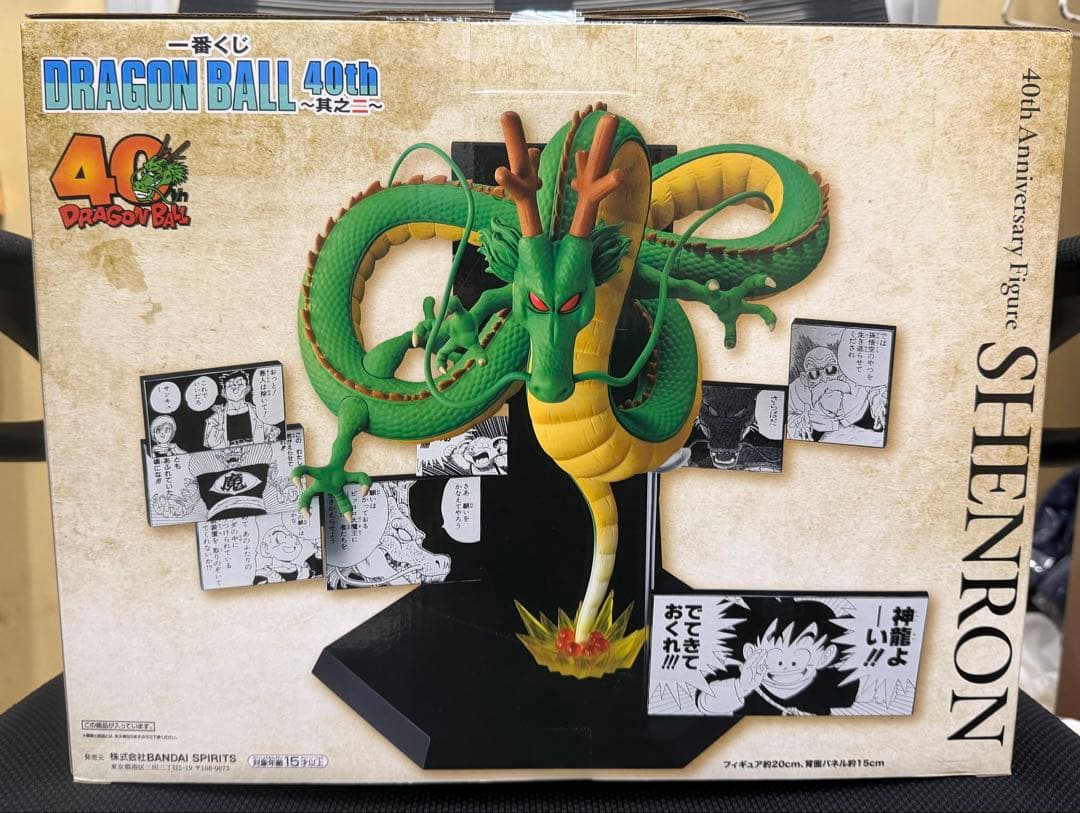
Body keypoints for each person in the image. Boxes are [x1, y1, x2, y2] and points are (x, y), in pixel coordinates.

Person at [203, 370, 280, 449]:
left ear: (247, 388)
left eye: (240, 384)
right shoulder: (215, 418)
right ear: (224, 392)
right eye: (230, 385)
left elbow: (271, 433)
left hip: (254, 451)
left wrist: (273, 434)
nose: (235, 388)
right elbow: (211, 443)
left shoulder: (258, 412)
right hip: (228, 454)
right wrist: (220, 424)